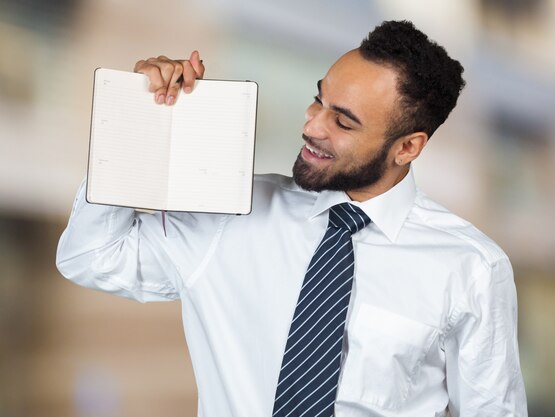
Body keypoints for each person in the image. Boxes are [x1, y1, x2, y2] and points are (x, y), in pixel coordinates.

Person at [57, 20, 528, 417]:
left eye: (343, 122)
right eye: (318, 99)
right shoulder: (232, 212)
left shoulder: (471, 268)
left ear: (408, 147)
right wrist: (140, 117)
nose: (312, 125)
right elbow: (90, 257)